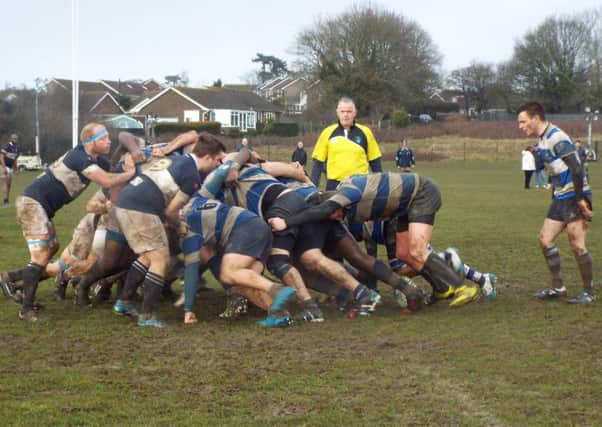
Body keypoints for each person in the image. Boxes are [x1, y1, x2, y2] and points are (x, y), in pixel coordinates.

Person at [268, 172, 480, 307]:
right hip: (404, 209)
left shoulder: (346, 194)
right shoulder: (347, 194)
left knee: (418, 250)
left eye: (336, 213)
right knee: (404, 255)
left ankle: (462, 286)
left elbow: (324, 209)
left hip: (422, 194)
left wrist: (287, 223)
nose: (338, 217)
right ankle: (443, 289)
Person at [0, 123, 136, 321]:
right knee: (40, 257)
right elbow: (107, 181)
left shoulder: (99, 161)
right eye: (104, 138)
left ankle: (9, 278)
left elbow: (116, 172)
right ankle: (26, 309)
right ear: (90, 141)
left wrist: (133, 162)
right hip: (32, 203)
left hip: (42, 207)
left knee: (51, 248)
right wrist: (132, 173)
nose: (109, 141)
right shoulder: (78, 156)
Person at [110, 132, 228, 328]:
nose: (218, 165)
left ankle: (124, 303)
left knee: (147, 257)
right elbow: (171, 210)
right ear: (207, 157)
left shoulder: (178, 160)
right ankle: (147, 316)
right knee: (161, 259)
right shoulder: (192, 176)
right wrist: (179, 225)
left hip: (128, 202)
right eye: (217, 160)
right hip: (139, 208)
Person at [517, 101, 594, 304]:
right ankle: (558, 287)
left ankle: (588, 292)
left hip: (574, 194)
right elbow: (556, 170)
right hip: (561, 196)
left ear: (535, 118)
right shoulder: (542, 139)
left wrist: (581, 199)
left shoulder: (556, 137)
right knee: (545, 239)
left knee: (577, 243)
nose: (521, 126)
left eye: (523, 121)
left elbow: (577, 168)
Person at [310, 97, 382, 190]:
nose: (345, 115)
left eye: (349, 112)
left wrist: (380, 186)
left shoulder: (366, 132)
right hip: (334, 186)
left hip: (360, 185)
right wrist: (313, 187)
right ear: (337, 112)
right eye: (342, 111)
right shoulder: (327, 132)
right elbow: (318, 163)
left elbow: (375, 161)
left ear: (354, 113)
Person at [1, 133, 20, 207]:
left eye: (16, 138)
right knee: (5, 182)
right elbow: (1, 156)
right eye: (13, 138)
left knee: (9, 184)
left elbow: (14, 159)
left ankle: (7, 201)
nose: (15, 139)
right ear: (11, 139)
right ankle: (5, 201)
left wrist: (16, 169)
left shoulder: (16, 148)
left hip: (10, 167)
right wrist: (4, 167)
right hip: (3, 166)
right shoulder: (7, 146)